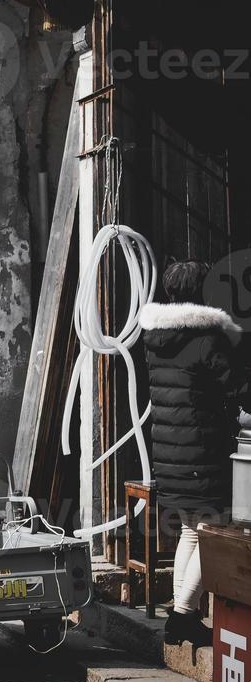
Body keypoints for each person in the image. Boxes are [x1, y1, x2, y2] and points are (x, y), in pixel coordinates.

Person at [141, 260, 251, 648]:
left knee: (193, 528)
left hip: (171, 458)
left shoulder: (155, 336)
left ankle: (181, 613)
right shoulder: (207, 338)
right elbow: (236, 387)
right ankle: (183, 616)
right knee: (215, 527)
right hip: (201, 454)